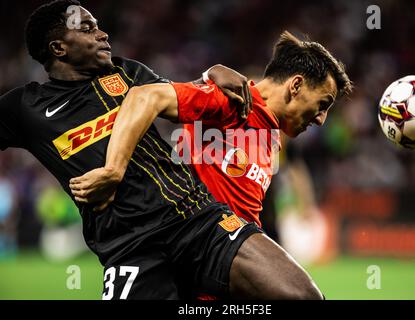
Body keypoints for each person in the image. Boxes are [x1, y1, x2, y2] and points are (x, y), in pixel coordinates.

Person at [0, 0, 316, 300]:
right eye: (87, 28)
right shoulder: (26, 108)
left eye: (98, 26)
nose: (102, 33)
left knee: (301, 295)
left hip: (195, 220)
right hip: (130, 246)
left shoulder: (127, 73)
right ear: (59, 48)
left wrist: (210, 74)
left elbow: (181, 95)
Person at [70, 31, 352, 298]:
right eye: (323, 104)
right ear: (296, 85)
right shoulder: (233, 102)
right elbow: (146, 96)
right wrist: (113, 170)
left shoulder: (272, 133)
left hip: (230, 266)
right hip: (198, 256)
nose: (321, 119)